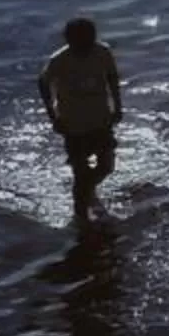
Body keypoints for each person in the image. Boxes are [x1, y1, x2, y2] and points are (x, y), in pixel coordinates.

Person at [38, 15, 123, 224]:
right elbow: (43, 83)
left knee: (106, 166)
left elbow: (112, 77)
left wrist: (118, 106)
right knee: (80, 171)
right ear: (69, 40)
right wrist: (53, 116)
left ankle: (87, 190)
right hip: (73, 124)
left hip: (100, 119)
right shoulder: (59, 60)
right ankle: (81, 215)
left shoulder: (102, 52)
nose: (86, 46)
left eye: (89, 39)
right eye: (80, 41)